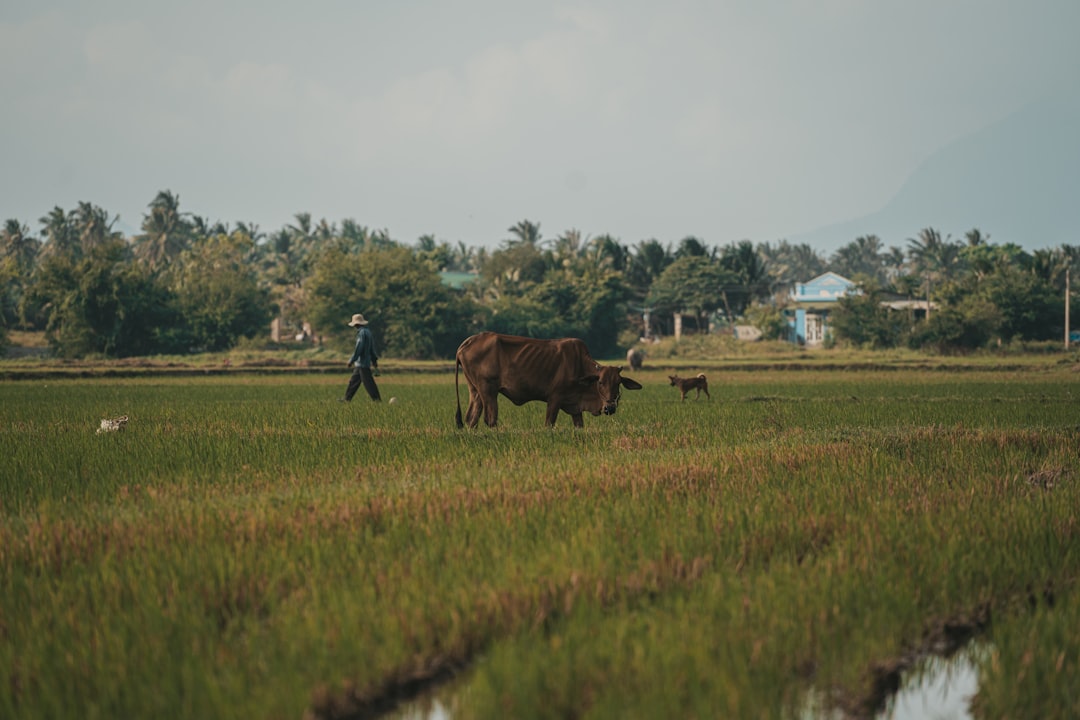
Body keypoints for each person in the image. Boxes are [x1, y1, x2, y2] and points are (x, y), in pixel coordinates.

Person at [341, 313, 381, 402]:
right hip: (362, 363)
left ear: (356, 324)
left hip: (362, 363)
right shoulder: (368, 332)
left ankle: (377, 400)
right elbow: (372, 348)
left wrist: (351, 360)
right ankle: (347, 399)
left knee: (369, 383)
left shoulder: (361, 333)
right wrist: (374, 359)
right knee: (353, 382)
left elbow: (359, 348)